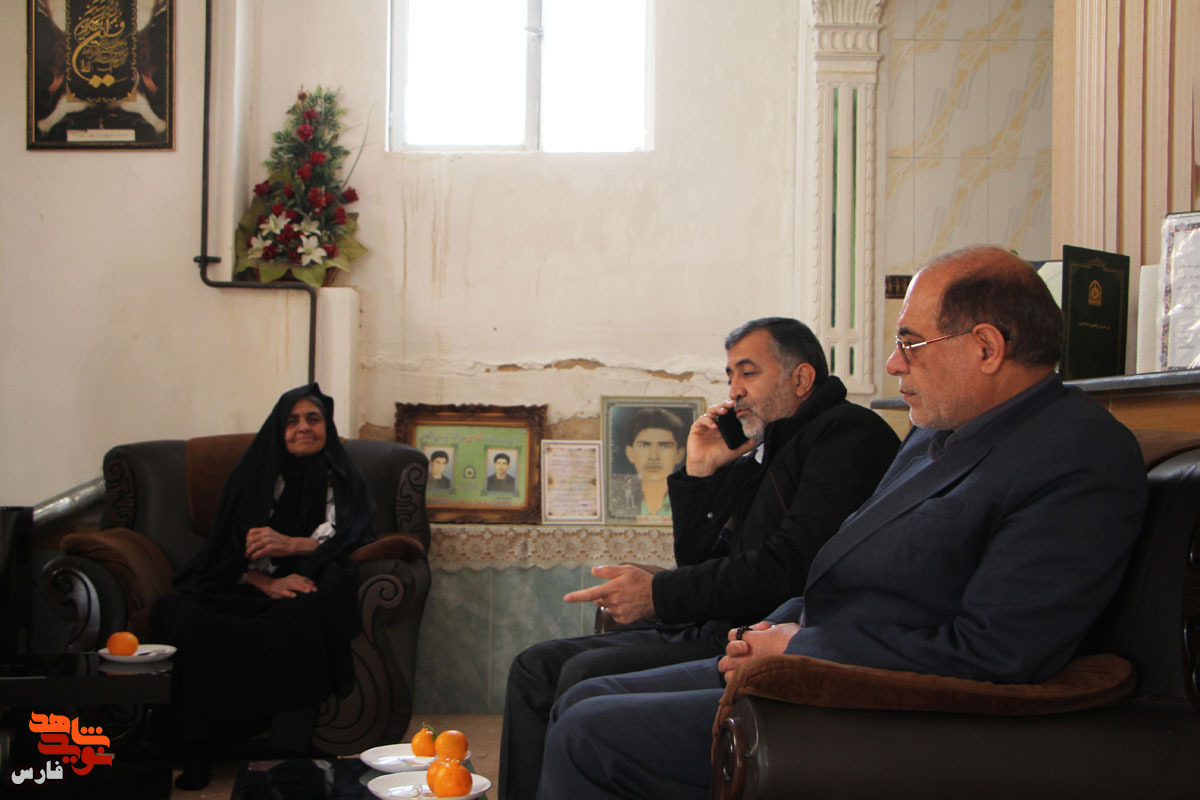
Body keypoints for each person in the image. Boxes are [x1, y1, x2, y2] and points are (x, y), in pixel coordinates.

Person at [535, 247, 1150, 800]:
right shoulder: (932, 435)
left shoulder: (1078, 454)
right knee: (583, 695)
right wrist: (773, 627)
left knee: (591, 734)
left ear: (986, 347)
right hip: (818, 654)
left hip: (887, 702)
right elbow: (845, 569)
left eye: (910, 342)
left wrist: (800, 647)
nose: (893, 363)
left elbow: (995, 652)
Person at [499, 317, 901, 799]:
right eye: (730, 376)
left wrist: (658, 594)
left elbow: (788, 567)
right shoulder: (767, 444)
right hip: (713, 621)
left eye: (748, 373)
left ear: (801, 378)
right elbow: (698, 557)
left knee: (579, 676)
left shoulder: (846, 436)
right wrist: (700, 470)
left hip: (753, 635)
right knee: (534, 668)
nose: (734, 392)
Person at [151, 384, 376, 790]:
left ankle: (286, 749)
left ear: (326, 426)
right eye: (293, 421)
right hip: (244, 581)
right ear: (278, 429)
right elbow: (223, 549)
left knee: (303, 614)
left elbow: (352, 532)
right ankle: (200, 749)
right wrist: (265, 582)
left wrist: (290, 545)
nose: (303, 428)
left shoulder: (340, 474)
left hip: (307, 576)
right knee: (190, 616)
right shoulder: (254, 474)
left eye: (313, 419)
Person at [608, 407, 689, 520]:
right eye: (644, 446)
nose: (654, 456)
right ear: (630, 453)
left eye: (665, 446)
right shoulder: (615, 498)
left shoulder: (690, 498)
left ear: (679, 454)